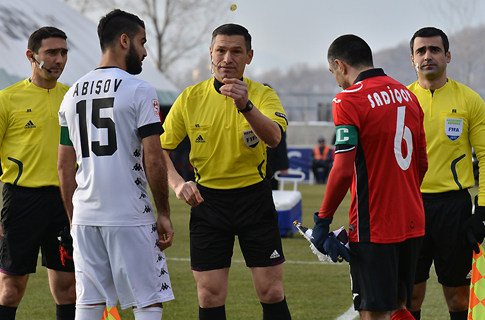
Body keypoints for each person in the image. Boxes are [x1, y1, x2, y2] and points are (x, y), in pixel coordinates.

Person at [160, 23, 291, 320]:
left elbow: (273, 138)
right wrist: (178, 183)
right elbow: (157, 151)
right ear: (210, 53)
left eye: (236, 52)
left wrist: (246, 106)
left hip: (254, 201)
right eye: (220, 50)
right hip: (208, 205)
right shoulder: (190, 98)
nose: (227, 59)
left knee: (271, 291)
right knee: (209, 295)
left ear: (249, 56)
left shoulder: (263, 95)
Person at [57, 9, 174, 320]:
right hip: (129, 214)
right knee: (147, 302)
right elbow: (153, 158)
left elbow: (64, 166)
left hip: (84, 215)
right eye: (142, 41)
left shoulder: (70, 95)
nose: (145, 51)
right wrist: (163, 212)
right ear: (125, 41)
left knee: (89, 303)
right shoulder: (139, 89)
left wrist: (73, 216)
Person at [311, 34, 428, 320]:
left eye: (332, 73)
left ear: (340, 65)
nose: (336, 81)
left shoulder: (348, 99)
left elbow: (341, 168)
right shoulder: (408, 95)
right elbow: (422, 162)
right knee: (401, 306)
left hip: (374, 225)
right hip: (412, 218)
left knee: (373, 313)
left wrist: (322, 221)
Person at [407, 27, 485, 320]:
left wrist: (484, 210)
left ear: (448, 56)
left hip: (454, 208)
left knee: (458, 296)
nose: (428, 56)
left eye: (435, 50)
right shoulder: (402, 101)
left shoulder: (470, 100)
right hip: (411, 206)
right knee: (410, 294)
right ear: (412, 59)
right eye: (421, 51)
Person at [0, 26, 75, 320]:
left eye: (64, 53)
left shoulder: (72, 99)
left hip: (64, 201)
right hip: (21, 202)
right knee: (10, 289)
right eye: (52, 53)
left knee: (68, 288)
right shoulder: (7, 99)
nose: (59, 59)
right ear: (32, 56)